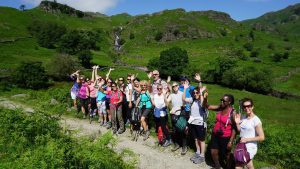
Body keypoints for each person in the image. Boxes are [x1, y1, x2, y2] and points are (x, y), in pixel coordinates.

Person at [203, 91, 237, 169]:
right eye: (221, 100)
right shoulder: (220, 108)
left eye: (224, 101)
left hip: (225, 137)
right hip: (215, 134)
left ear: (229, 102)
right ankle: (217, 166)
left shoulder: (232, 113)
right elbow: (207, 106)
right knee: (213, 151)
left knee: (226, 154)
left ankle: (228, 167)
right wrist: (205, 98)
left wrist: (230, 141)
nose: (221, 102)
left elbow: (235, 128)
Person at [234, 98, 265, 169]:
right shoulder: (244, 117)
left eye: (249, 106)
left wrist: (246, 139)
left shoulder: (256, 120)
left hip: (250, 147)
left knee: (238, 165)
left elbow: (262, 137)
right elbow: (240, 131)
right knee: (249, 164)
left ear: (252, 106)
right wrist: (237, 123)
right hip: (242, 145)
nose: (246, 108)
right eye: (244, 106)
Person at [183, 81, 206, 164]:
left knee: (201, 140)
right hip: (192, 123)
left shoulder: (201, 101)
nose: (195, 94)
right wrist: (185, 89)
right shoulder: (192, 100)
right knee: (196, 139)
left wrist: (200, 82)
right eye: (194, 93)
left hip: (200, 123)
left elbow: (203, 103)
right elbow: (184, 99)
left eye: (197, 93)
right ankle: (198, 152)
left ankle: (202, 156)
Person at [167, 82, 188, 154]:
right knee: (175, 131)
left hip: (181, 115)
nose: (175, 87)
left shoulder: (182, 93)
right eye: (173, 86)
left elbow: (184, 105)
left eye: (176, 85)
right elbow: (167, 102)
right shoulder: (171, 95)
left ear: (178, 86)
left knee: (182, 130)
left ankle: (184, 146)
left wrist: (177, 109)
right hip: (174, 115)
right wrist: (164, 94)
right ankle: (177, 144)